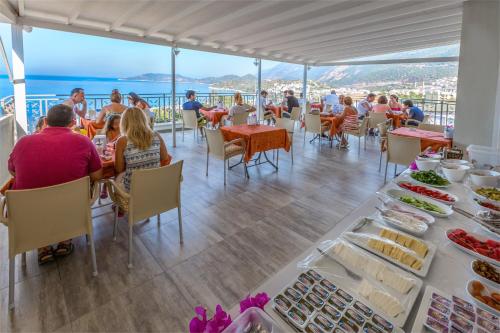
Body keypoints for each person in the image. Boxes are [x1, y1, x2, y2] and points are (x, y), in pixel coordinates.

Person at [8, 104, 103, 264]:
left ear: (45, 121)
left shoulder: (23, 143)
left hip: (28, 215)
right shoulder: (83, 141)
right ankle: (65, 241)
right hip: (70, 211)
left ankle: (42, 246)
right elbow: (97, 175)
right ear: (73, 123)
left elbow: (13, 172)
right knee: (66, 198)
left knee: (39, 201)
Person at [114, 107, 171, 192]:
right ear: (144, 119)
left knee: (117, 177)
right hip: (156, 186)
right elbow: (165, 159)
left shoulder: (122, 141)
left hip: (134, 191)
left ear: (124, 122)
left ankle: (121, 204)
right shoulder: (156, 136)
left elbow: (119, 169)